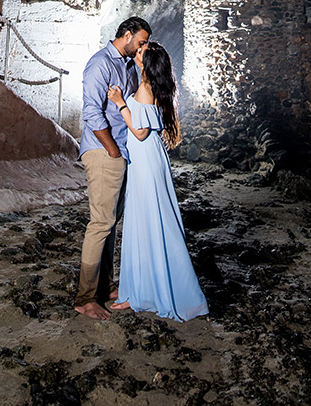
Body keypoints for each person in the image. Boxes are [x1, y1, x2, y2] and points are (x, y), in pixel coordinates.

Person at [106, 41, 209, 322]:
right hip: (149, 159)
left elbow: (139, 132)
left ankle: (142, 293)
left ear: (145, 63)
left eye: (140, 51)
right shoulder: (149, 85)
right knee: (147, 221)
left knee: (148, 221)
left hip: (146, 161)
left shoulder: (145, 87)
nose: (136, 51)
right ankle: (138, 288)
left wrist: (119, 104)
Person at [74, 16, 151, 320]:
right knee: (100, 224)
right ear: (127, 35)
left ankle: (104, 287)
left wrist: (143, 67)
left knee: (110, 224)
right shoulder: (100, 64)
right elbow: (92, 113)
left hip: (119, 153)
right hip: (104, 152)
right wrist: (113, 150)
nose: (143, 47)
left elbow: (133, 106)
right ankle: (85, 298)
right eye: (141, 41)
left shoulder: (130, 66)